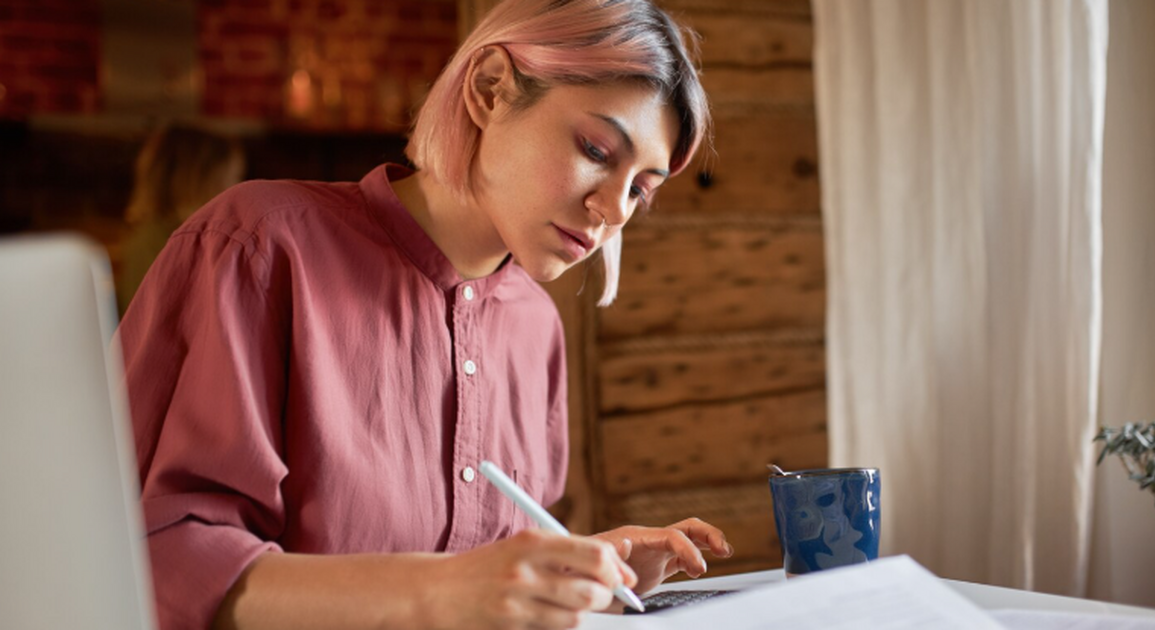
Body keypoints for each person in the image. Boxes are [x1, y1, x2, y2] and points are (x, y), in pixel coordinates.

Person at [116, 1, 732, 629]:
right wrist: (437, 591)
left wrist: (577, 576)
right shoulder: (258, 246)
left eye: (640, 189)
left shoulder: (533, 327)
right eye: (597, 149)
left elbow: (481, 582)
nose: (615, 210)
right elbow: (154, 559)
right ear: (490, 89)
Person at [117, 123, 245, 316]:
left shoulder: (192, 241)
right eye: (233, 177)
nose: (237, 188)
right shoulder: (156, 245)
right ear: (200, 182)